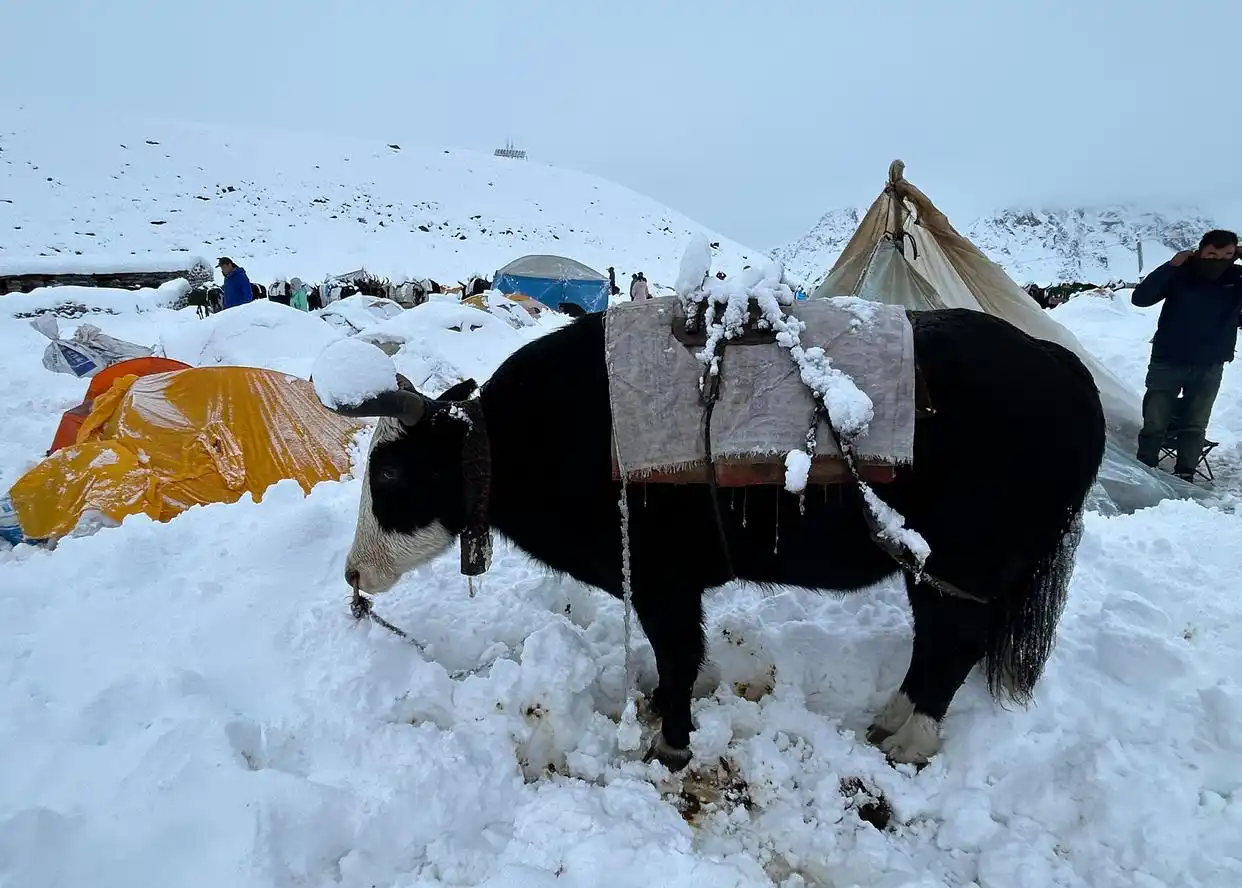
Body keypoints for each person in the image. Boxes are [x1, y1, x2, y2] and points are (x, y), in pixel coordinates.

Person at [1131, 229, 1242, 480]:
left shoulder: (1237, 278)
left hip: (1210, 364)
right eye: (1212, 255)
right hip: (1167, 360)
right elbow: (1141, 298)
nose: (1218, 261)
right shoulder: (1182, 274)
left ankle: (1185, 474)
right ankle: (1144, 471)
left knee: (1195, 424)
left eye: (1226, 255)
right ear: (1200, 252)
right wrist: (1170, 266)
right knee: (1155, 422)